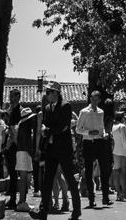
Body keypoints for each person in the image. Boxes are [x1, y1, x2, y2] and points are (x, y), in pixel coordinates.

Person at [34, 83, 82, 220]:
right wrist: (45, 131)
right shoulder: (48, 107)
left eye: (48, 91)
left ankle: (76, 210)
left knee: (69, 179)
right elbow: (46, 125)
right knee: (47, 180)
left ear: (55, 92)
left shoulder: (65, 106)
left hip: (63, 149)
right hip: (51, 148)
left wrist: (46, 130)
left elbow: (64, 126)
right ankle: (43, 211)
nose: (46, 94)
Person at [76, 89, 111, 206]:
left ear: (99, 100)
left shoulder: (101, 112)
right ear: (90, 99)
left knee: (105, 169)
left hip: (99, 141)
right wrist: (89, 132)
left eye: (96, 100)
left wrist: (104, 133)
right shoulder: (84, 112)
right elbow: (77, 129)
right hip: (88, 142)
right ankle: (91, 198)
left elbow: (101, 127)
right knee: (89, 171)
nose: (94, 102)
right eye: (92, 99)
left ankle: (105, 197)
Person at [12, 106, 38, 211]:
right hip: (24, 153)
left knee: (24, 180)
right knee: (23, 180)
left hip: (22, 153)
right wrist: (33, 155)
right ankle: (22, 202)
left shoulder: (23, 127)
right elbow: (26, 144)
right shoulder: (25, 129)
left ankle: (22, 201)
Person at [110, 110, 126, 204]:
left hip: (116, 151)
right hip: (123, 152)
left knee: (116, 173)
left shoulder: (114, 126)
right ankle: (124, 193)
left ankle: (118, 193)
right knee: (124, 173)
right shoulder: (123, 126)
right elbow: (125, 141)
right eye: (125, 116)